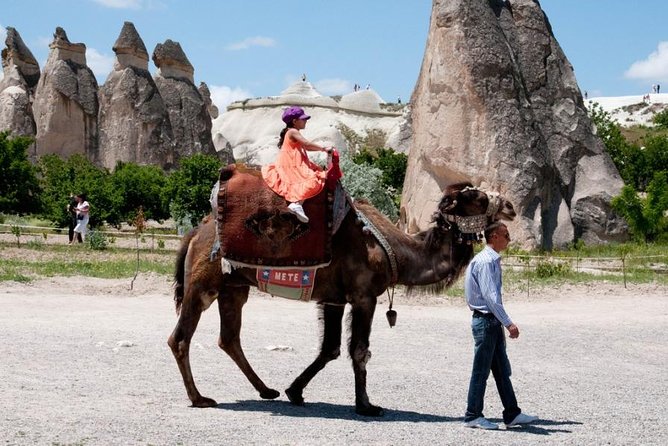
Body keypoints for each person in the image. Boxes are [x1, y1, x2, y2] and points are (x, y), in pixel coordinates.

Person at [463, 222, 537, 430]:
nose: (509, 239)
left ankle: (512, 413)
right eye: (506, 234)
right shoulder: (486, 261)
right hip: (486, 321)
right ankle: (472, 415)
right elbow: (491, 297)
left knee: (501, 370)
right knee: (481, 371)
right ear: (494, 236)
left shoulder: (491, 260)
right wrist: (509, 323)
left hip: (490, 321)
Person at [261, 106, 333, 223]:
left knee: (316, 173)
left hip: (293, 162)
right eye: (303, 119)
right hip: (291, 164)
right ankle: (297, 204)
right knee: (312, 180)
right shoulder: (292, 131)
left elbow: (306, 147)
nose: (305, 121)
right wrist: (324, 149)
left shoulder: (292, 132)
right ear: (294, 121)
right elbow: (307, 144)